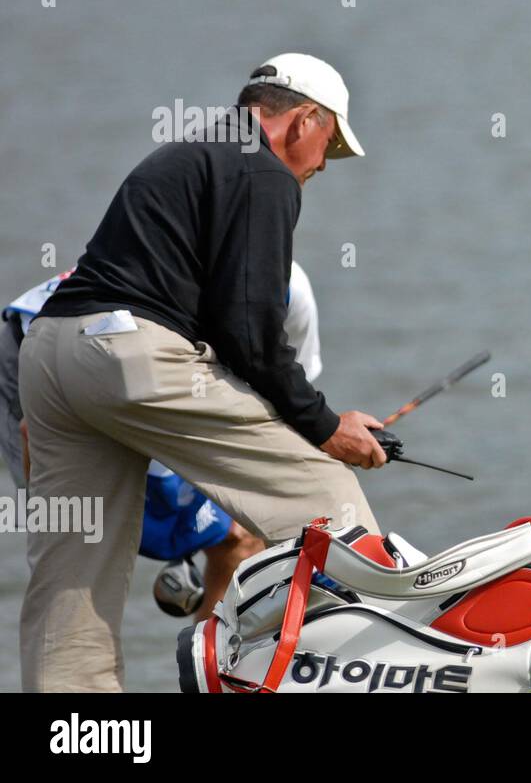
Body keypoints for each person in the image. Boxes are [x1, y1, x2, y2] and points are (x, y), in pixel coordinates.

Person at [19, 53, 388, 692]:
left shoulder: (189, 149)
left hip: (51, 356)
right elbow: (249, 328)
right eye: (329, 143)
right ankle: (375, 672)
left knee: (71, 585)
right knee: (332, 506)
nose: (324, 163)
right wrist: (326, 427)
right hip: (125, 356)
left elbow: (220, 322)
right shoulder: (265, 171)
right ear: (303, 121)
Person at [2, 261, 327, 620]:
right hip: (49, 346)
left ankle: (214, 669)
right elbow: (37, 432)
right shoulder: (171, 284)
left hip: (142, 359)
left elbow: (290, 407)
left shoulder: (294, 290)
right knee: (78, 536)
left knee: (239, 534)